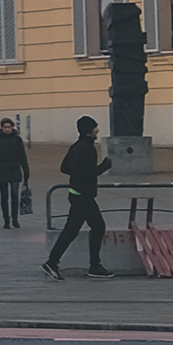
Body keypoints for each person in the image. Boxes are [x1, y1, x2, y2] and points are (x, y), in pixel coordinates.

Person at [41, 113, 111, 277]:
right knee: (80, 230)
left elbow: (64, 168)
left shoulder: (76, 146)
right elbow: (89, 172)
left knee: (88, 228)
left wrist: (76, 170)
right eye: (95, 128)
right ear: (89, 131)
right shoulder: (88, 149)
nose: (97, 131)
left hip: (76, 194)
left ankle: (92, 265)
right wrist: (104, 166)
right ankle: (55, 263)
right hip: (84, 196)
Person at [0, 117, 31, 230]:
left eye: (9, 127)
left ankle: (15, 219)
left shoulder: (17, 140)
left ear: (12, 128)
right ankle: (6, 219)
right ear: (1, 128)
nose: (7, 129)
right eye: (5, 127)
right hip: (2, 169)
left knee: (15, 195)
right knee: (4, 197)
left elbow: (22, 157)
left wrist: (26, 171)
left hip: (15, 169)